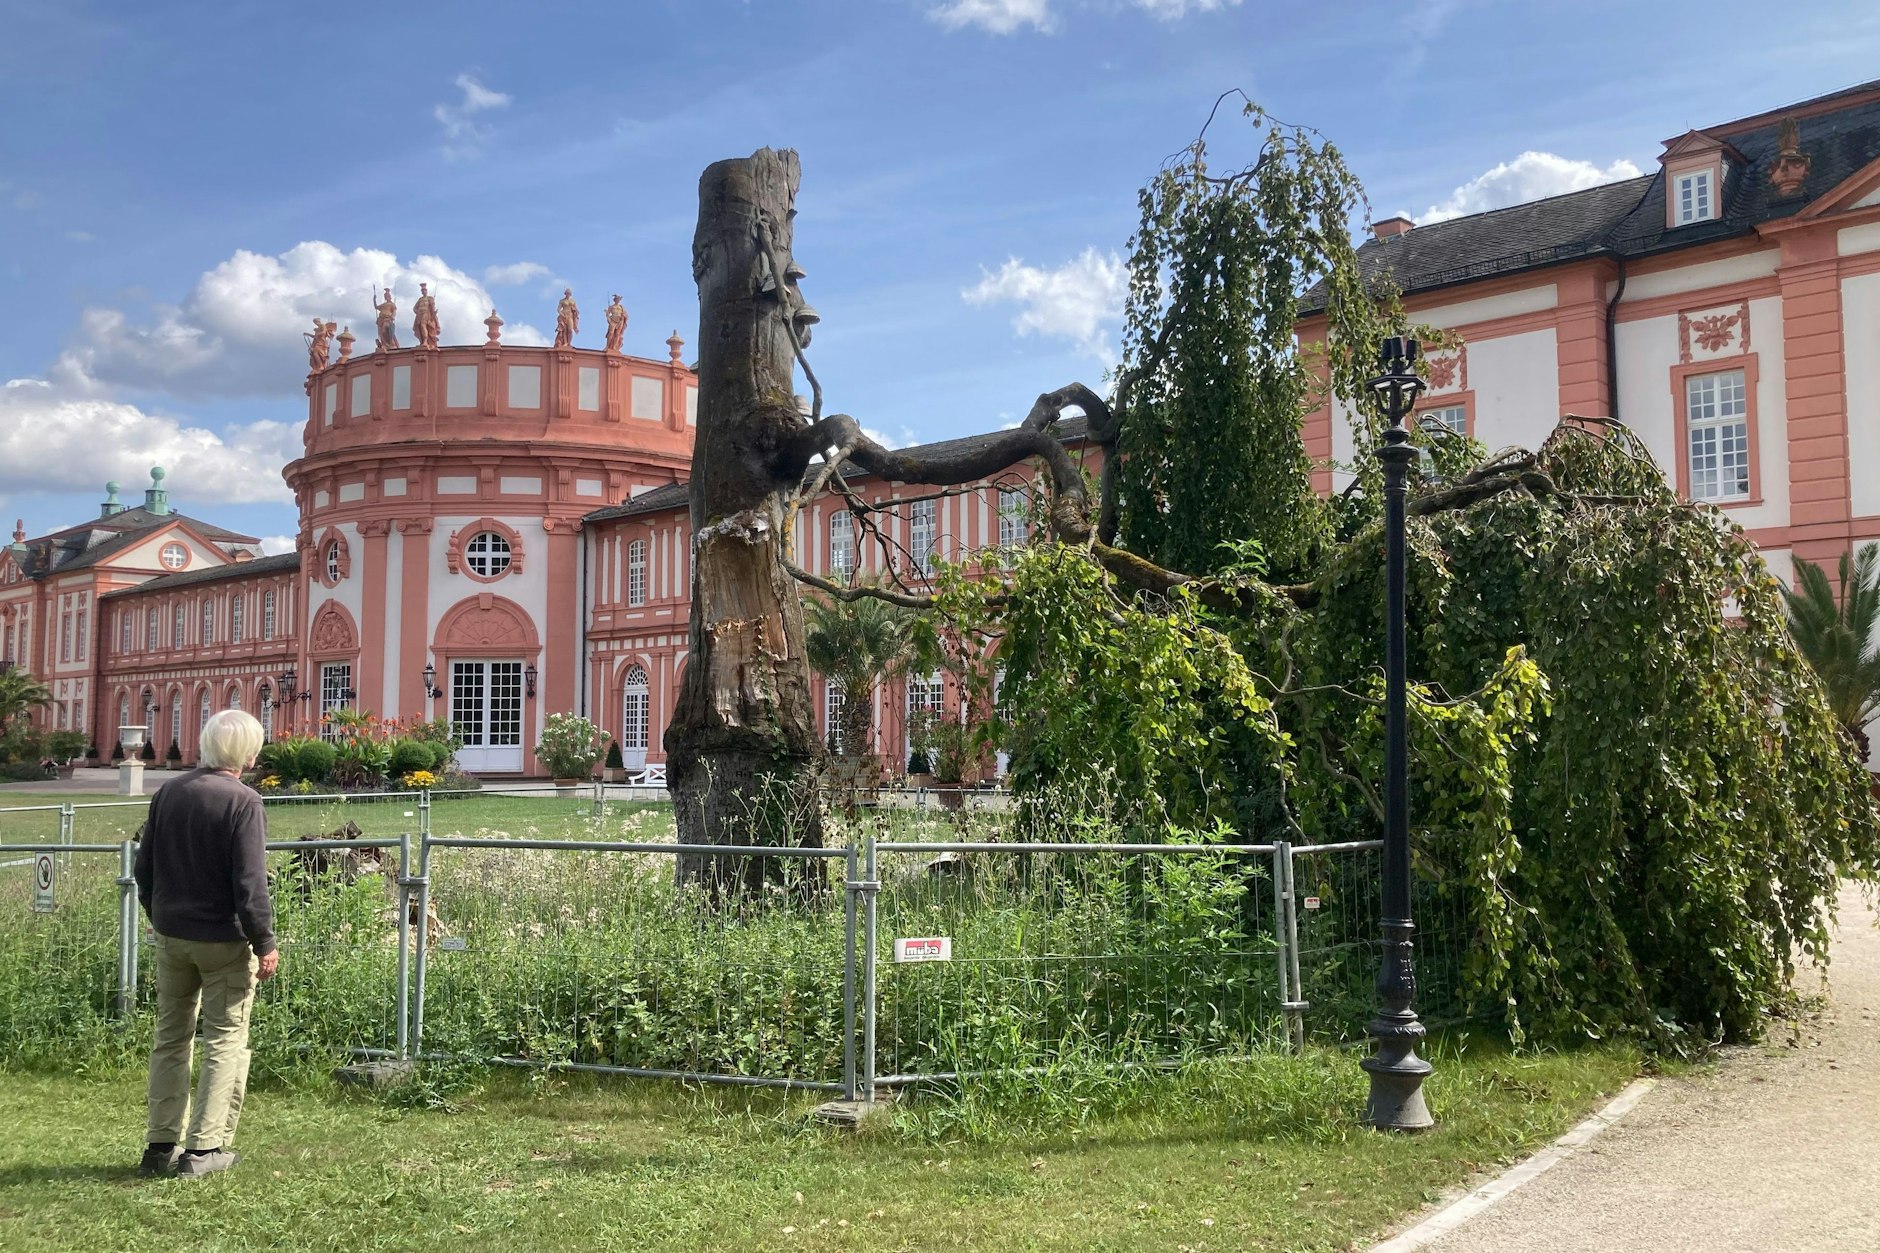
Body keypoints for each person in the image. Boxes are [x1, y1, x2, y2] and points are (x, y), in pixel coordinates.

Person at [134, 709, 278, 1179]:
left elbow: (144, 868)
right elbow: (251, 884)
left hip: (172, 934)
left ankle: (159, 1145)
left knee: (170, 1038)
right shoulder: (243, 801)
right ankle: (204, 1148)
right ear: (248, 753)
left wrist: (159, 915)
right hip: (223, 939)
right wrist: (265, 942)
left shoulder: (169, 791)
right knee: (224, 1038)